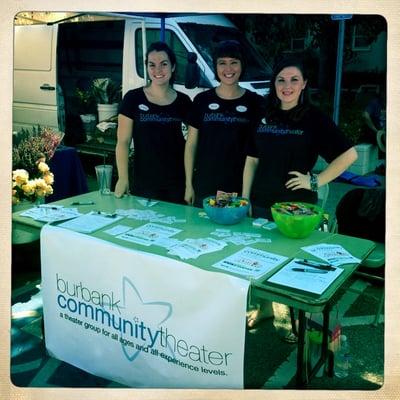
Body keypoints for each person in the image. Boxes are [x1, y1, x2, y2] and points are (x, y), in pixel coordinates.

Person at [242, 56, 358, 329]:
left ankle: (301, 321)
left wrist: (316, 181)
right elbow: (251, 159)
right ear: (274, 83)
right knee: (259, 260)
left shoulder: (314, 119)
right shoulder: (264, 114)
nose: (287, 86)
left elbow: (349, 155)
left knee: (294, 266)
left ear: (304, 83)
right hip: (260, 202)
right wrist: (245, 197)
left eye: (294, 80)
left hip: (297, 208)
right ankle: (266, 309)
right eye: (281, 80)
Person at [184, 40, 265, 208]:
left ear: (242, 65)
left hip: (241, 189)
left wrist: (247, 196)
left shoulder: (256, 102)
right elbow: (191, 145)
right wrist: (188, 184)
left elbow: (257, 152)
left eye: (234, 62)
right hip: (205, 187)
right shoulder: (202, 100)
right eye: (222, 63)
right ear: (215, 66)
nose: (228, 69)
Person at [114, 41, 192, 203]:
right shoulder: (132, 98)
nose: (158, 70)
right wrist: (123, 178)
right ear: (147, 68)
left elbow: (191, 145)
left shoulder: (184, 102)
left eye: (164, 64)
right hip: (144, 184)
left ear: (173, 67)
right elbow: (123, 142)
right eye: (152, 65)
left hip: (177, 185)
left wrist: (190, 184)